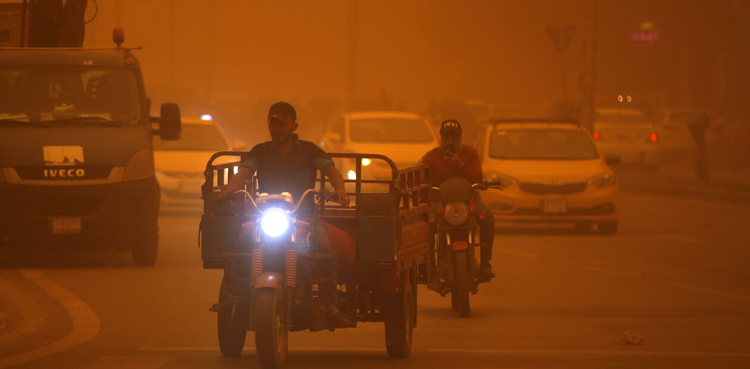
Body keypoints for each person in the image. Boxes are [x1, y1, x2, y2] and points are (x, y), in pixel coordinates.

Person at [218, 101, 351, 322]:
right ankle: (236, 295)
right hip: (266, 216)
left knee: (325, 248)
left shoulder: (309, 151)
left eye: (282, 125)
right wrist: (228, 190)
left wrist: (340, 188)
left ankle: (329, 303)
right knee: (240, 243)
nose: (277, 130)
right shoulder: (260, 151)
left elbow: (331, 171)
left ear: (294, 126)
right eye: (273, 124)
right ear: (268, 125)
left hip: (304, 217)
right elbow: (242, 173)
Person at [421, 119, 496, 282]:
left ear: (460, 137)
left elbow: (479, 178)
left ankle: (485, 264)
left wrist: (461, 166)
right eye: (447, 136)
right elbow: (422, 180)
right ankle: (430, 267)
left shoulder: (470, 153)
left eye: (454, 137)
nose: (450, 140)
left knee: (488, 218)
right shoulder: (431, 157)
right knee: (428, 222)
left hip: (469, 203)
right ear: (441, 136)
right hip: (439, 204)